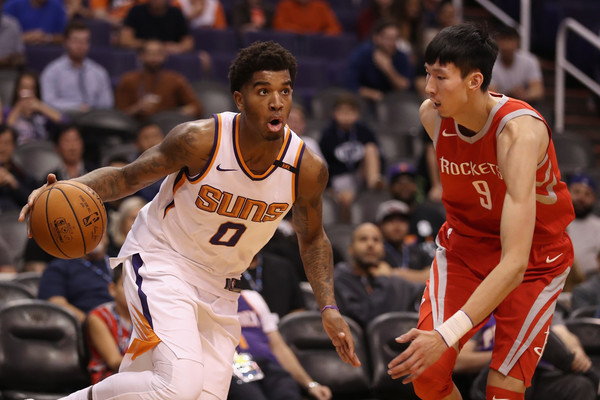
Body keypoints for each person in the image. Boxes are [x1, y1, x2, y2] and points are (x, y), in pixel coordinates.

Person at [20, 40, 360, 400]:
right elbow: (126, 178)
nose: (277, 102)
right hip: (164, 260)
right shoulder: (200, 141)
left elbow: (312, 238)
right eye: (264, 91)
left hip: (222, 284)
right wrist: (65, 189)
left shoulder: (306, 168)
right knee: (177, 387)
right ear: (240, 100)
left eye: (285, 91)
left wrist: (328, 306)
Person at [386, 23, 575, 400]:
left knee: (503, 392)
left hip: (534, 258)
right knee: (426, 375)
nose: (428, 88)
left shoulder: (519, 134)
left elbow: (514, 263)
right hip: (464, 250)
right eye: (427, 74)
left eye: (440, 77)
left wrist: (448, 333)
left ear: (474, 81)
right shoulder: (433, 116)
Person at [454, 315, 598, 400]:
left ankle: (582, 371)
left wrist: (576, 351)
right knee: (529, 337)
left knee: (580, 386)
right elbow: (459, 362)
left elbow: (564, 335)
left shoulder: (541, 306)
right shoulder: (482, 314)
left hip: (538, 373)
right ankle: (593, 376)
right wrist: (509, 353)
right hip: (493, 375)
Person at [228, 289, 332, 400]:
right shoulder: (208, 302)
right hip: (233, 368)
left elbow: (278, 347)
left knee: (287, 392)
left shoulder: (252, 297)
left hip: (269, 366)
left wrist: (310, 384)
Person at [334, 222, 424, 328]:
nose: (370, 244)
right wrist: (383, 279)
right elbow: (366, 318)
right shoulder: (341, 277)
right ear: (350, 249)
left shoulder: (395, 282)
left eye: (376, 240)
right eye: (363, 239)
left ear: (383, 249)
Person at [318, 92, 383, 222]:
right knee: (347, 198)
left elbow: (378, 153)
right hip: (340, 179)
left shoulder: (364, 131)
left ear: (357, 114)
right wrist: (329, 186)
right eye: (342, 112)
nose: (346, 116)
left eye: (350, 112)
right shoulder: (328, 135)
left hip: (361, 174)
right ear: (334, 114)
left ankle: (374, 182)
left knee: (370, 148)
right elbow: (323, 163)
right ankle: (347, 225)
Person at [115, 40, 203, 121]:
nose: (154, 58)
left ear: (164, 56)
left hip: (168, 125)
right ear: (140, 56)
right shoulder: (128, 79)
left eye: (158, 54)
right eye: (150, 54)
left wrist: (176, 114)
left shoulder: (175, 79)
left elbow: (196, 107)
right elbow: (119, 114)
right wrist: (138, 108)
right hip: (137, 125)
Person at [40, 20, 114, 113]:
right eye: (76, 41)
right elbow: (48, 103)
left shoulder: (99, 72)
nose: (81, 46)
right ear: (66, 42)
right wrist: (77, 107)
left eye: (85, 41)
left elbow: (107, 104)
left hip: (95, 121)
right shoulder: (52, 71)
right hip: (63, 120)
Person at [37, 233, 114, 323]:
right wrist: (92, 324)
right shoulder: (60, 266)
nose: (94, 239)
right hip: (84, 325)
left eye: (98, 234)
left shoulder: (120, 263)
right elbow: (56, 302)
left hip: (124, 323)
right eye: (89, 234)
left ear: (107, 238)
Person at [345, 18, 414, 104]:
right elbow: (349, 84)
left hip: (393, 102)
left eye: (395, 39)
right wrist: (371, 94)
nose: (392, 43)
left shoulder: (401, 56)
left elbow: (405, 87)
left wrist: (388, 70)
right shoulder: (362, 54)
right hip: (364, 101)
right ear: (376, 38)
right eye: (388, 38)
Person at [86, 263, 133, 384]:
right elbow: (114, 362)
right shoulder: (99, 317)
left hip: (140, 378)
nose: (133, 291)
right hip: (107, 380)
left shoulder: (149, 317)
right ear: (112, 289)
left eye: (137, 285)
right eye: (127, 285)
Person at [376, 199, 434, 283]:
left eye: (402, 220)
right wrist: (419, 276)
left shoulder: (417, 252)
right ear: (380, 226)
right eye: (390, 220)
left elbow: (432, 276)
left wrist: (395, 274)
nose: (397, 225)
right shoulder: (375, 251)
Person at [240, 251, 305, 319]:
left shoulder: (283, 266)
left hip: (282, 326)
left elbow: (299, 308)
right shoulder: (229, 271)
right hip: (245, 326)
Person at [489, 26, 544, 105]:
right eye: (503, 40)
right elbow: (491, 94)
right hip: (499, 106)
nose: (507, 45)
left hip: (524, 104)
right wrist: (511, 94)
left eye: (510, 40)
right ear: (497, 42)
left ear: (517, 42)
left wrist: (524, 94)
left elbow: (538, 91)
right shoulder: (490, 62)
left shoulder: (529, 60)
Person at [6, 70, 63, 145]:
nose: (27, 92)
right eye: (24, 88)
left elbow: (65, 123)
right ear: (17, 90)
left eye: (31, 88)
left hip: (42, 151)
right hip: (18, 152)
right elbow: (5, 133)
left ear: (36, 91)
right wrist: (17, 109)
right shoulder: (7, 112)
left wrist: (40, 107)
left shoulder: (44, 115)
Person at [120, 0, 194, 54]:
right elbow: (125, 40)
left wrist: (176, 48)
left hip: (170, 56)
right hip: (140, 54)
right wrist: (149, 46)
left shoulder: (176, 13)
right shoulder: (136, 11)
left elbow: (188, 43)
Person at [566, 173, 600, 279]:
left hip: (590, 284)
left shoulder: (598, 226)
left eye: (587, 194)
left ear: (594, 199)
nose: (581, 198)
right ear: (566, 193)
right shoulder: (554, 223)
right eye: (576, 192)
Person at [0, 125, 37, 213]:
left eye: (7, 143)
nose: (2, 149)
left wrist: (15, 185)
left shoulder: (23, 175)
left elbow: (34, 204)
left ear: (14, 146)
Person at [2, 0, 67, 45]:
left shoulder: (57, 7)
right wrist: (23, 38)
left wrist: (47, 38)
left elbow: (65, 37)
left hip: (48, 50)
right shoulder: (13, 5)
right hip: (19, 50)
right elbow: (2, 36)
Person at [272, 0, 341, 36]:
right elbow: (279, 26)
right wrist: (301, 32)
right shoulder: (284, 5)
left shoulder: (321, 7)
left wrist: (321, 36)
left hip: (315, 45)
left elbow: (334, 28)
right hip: (292, 46)